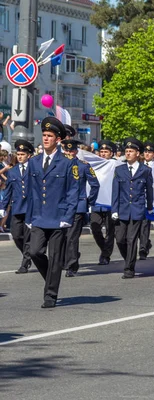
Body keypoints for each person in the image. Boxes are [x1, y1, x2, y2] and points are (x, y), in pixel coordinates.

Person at [27, 117, 78, 308]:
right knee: (35, 252)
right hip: (39, 216)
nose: (45, 139)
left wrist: (68, 217)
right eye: (44, 135)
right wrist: (29, 217)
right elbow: (31, 192)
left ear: (58, 139)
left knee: (56, 257)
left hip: (58, 217)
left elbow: (73, 192)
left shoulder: (67, 163)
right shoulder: (34, 162)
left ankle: (50, 295)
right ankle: (51, 276)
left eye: (49, 136)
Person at [111, 138, 154, 279]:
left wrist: (149, 207)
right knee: (120, 239)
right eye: (126, 151)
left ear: (137, 153)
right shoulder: (119, 170)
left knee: (131, 239)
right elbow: (115, 191)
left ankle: (129, 268)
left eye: (131, 151)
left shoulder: (145, 170)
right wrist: (114, 210)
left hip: (137, 209)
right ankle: (129, 258)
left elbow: (149, 190)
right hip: (122, 209)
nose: (128, 153)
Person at [61, 137, 100, 277]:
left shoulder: (83, 165)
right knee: (61, 236)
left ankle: (71, 265)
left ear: (76, 151)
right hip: (61, 206)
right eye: (66, 150)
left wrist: (89, 201)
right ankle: (68, 259)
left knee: (71, 237)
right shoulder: (58, 165)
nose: (69, 153)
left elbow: (95, 184)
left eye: (71, 150)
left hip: (78, 206)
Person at [0, 139, 34, 273]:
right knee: (16, 235)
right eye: (18, 154)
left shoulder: (34, 169)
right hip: (18, 208)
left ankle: (25, 263)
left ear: (28, 156)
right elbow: (8, 191)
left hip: (31, 208)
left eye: (23, 154)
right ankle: (28, 255)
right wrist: (2, 208)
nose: (20, 157)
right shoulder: (12, 172)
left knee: (28, 236)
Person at [91, 140, 117, 265]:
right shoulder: (94, 164)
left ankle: (105, 256)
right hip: (97, 202)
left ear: (111, 153)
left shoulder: (115, 165)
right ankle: (104, 249)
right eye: (101, 151)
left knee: (110, 230)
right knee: (94, 227)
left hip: (110, 202)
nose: (103, 154)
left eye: (106, 152)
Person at [138, 142, 154, 260]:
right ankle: (146, 242)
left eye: (149, 152)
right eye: (145, 152)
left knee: (145, 225)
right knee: (137, 225)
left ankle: (143, 249)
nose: (147, 154)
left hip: (152, 199)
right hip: (139, 199)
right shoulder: (139, 166)